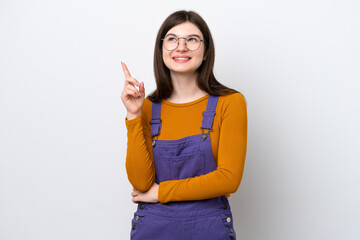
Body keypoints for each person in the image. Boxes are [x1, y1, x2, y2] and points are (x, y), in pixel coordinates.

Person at [121, 10, 247, 240]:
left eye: (192, 40)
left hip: (209, 229)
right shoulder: (147, 107)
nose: (181, 47)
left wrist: (162, 192)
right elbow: (141, 183)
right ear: (161, 51)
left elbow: (228, 178)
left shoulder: (231, 103)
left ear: (206, 51)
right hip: (154, 229)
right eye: (172, 39)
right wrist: (134, 115)